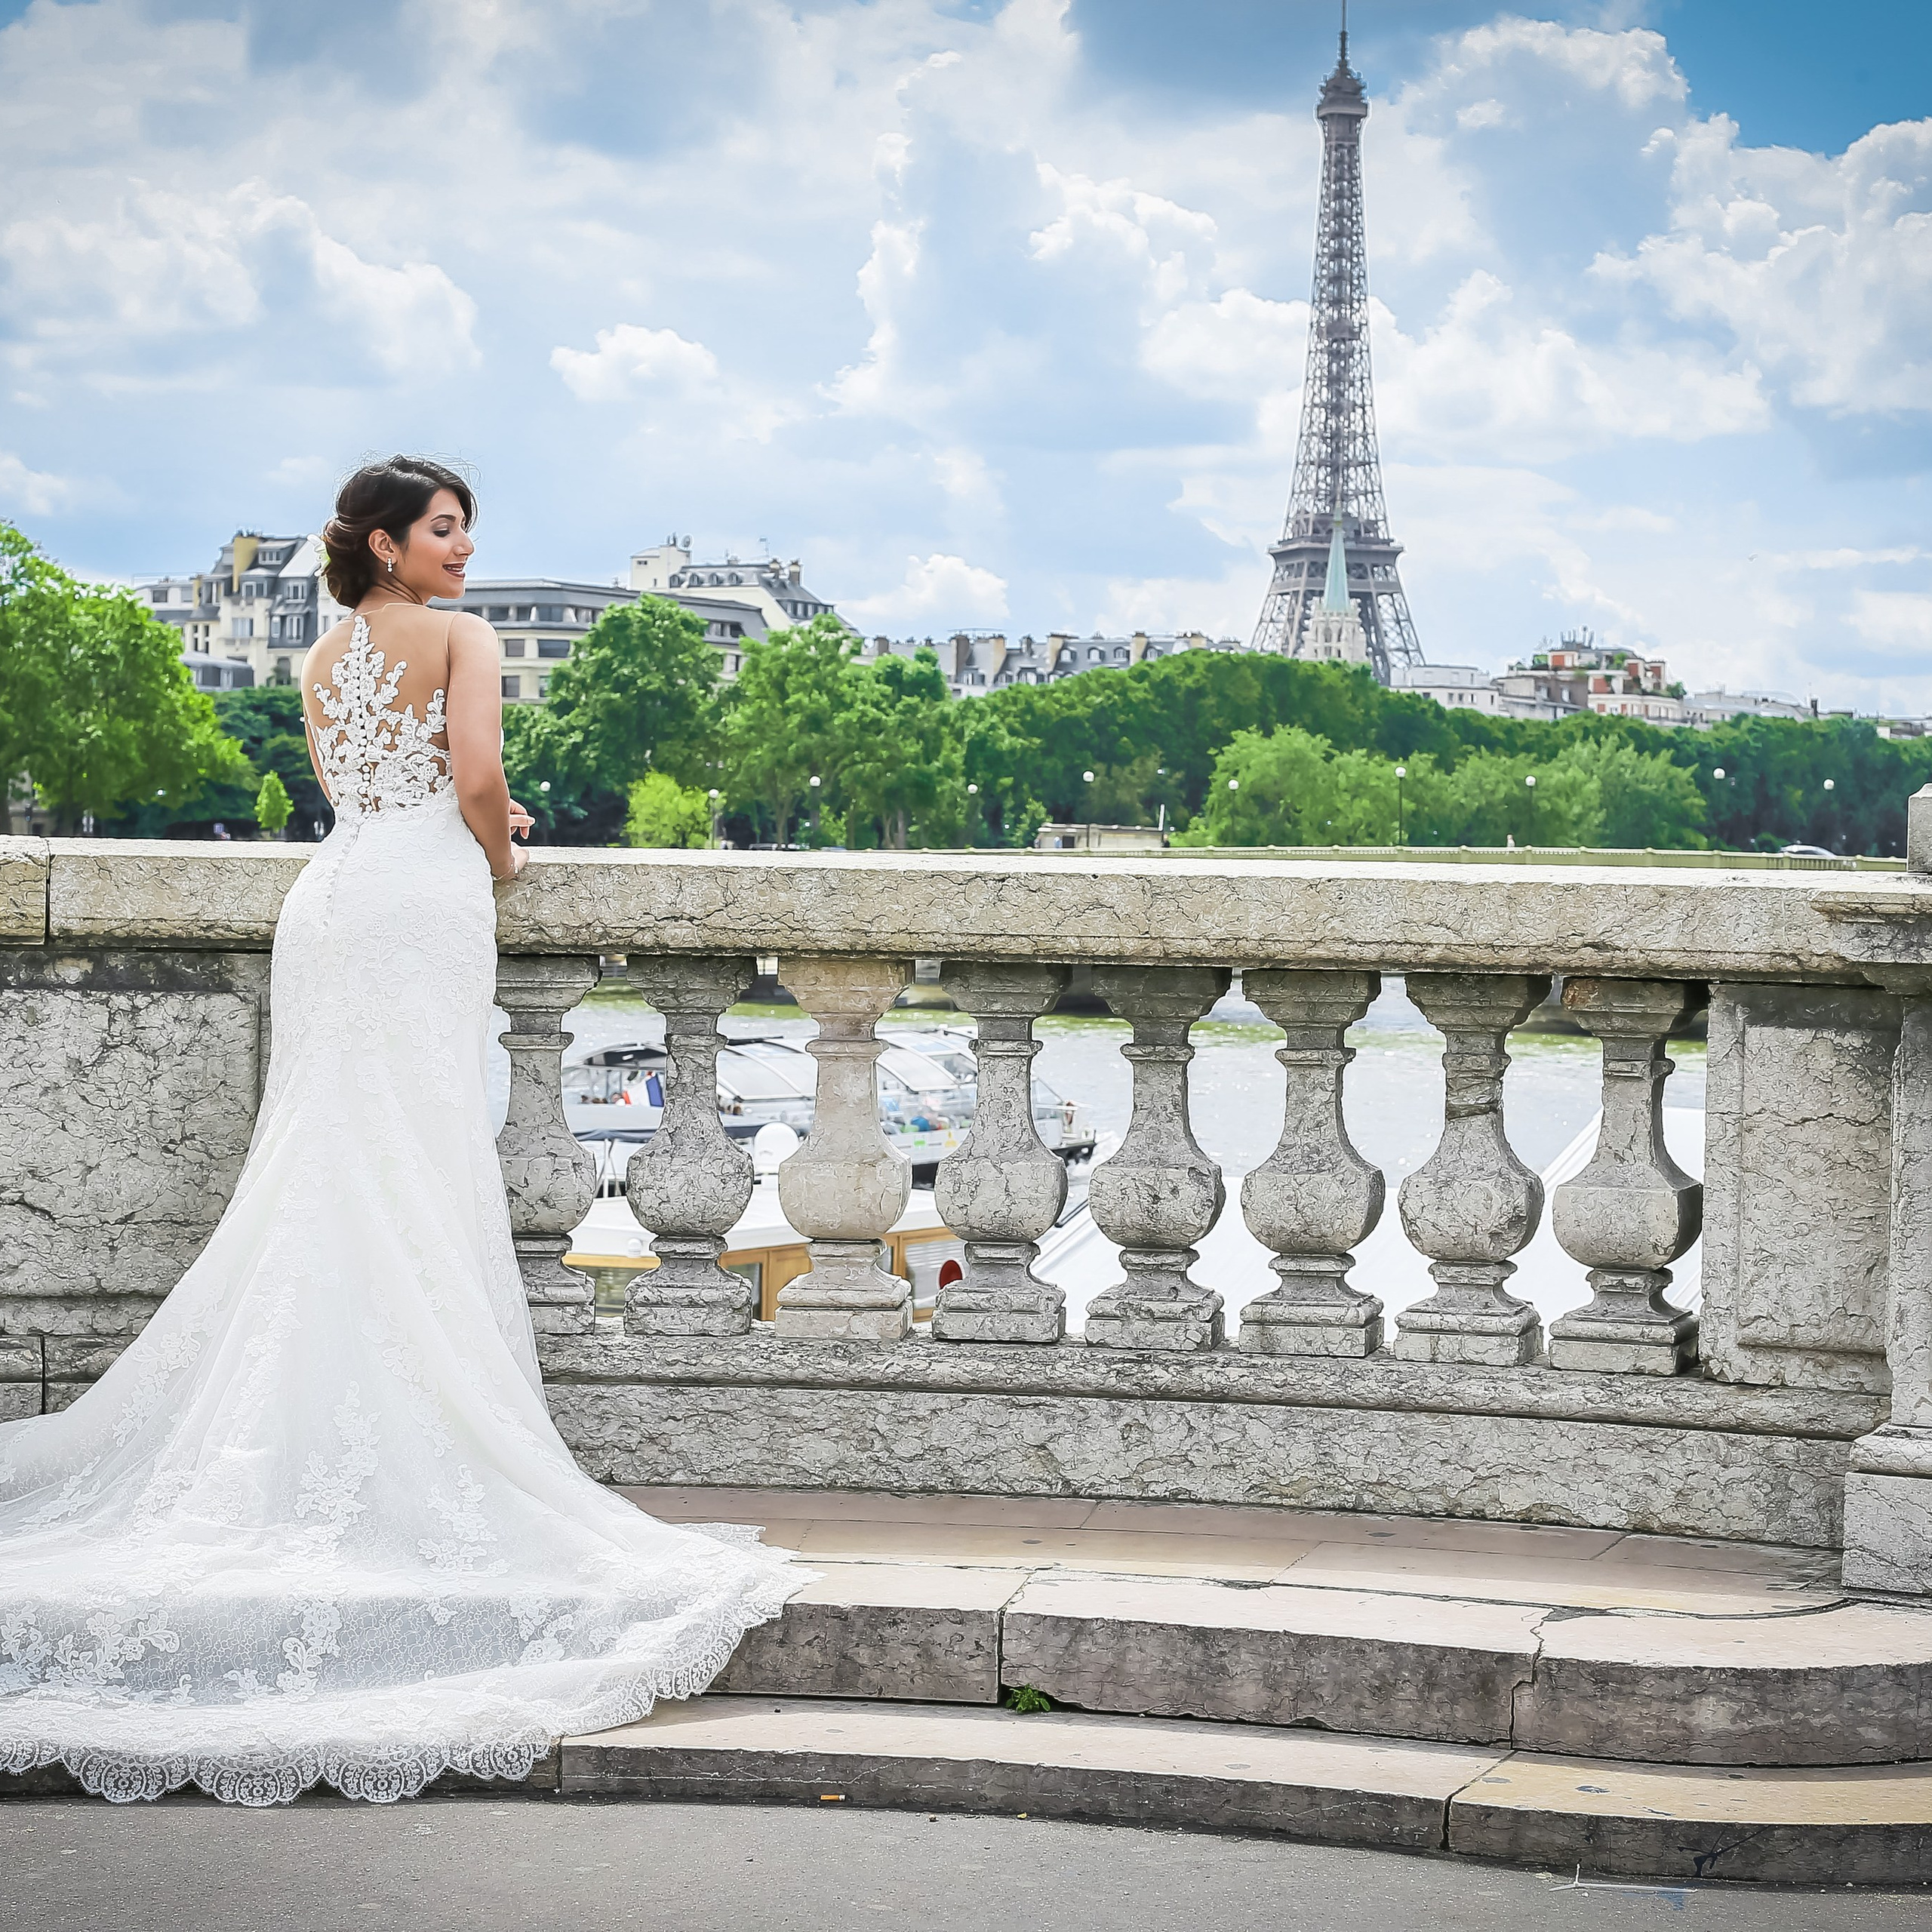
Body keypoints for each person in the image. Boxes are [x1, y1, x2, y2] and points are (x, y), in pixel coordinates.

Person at [0, 457, 804, 1807]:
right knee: (411, 1161)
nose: (468, 552)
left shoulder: (324, 656)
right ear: (386, 541)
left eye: (468, 530)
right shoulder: (464, 638)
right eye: (446, 529)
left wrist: (452, 816)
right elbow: (476, 776)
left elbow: (371, 787)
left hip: (332, 899)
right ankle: (407, 1428)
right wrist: (504, 851)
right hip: (420, 901)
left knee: (325, 1161)